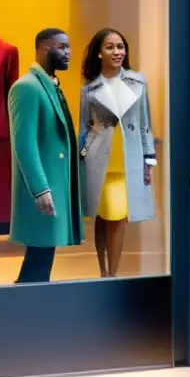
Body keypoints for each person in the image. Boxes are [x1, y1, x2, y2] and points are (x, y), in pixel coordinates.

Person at [78, 28, 157, 278]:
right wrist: (81, 155)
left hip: (128, 162)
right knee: (102, 217)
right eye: (110, 47)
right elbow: (85, 127)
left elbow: (145, 122)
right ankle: (103, 271)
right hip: (98, 160)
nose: (117, 52)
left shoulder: (138, 81)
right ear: (99, 53)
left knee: (118, 216)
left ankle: (112, 274)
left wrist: (149, 157)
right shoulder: (89, 90)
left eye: (120, 46)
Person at [8, 28, 84, 283]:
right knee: (40, 252)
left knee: (42, 252)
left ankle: (27, 303)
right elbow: (24, 143)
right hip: (44, 184)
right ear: (44, 49)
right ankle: (25, 304)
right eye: (62, 47)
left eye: (69, 47)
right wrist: (40, 189)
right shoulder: (27, 87)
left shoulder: (48, 85)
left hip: (55, 182)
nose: (68, 53)